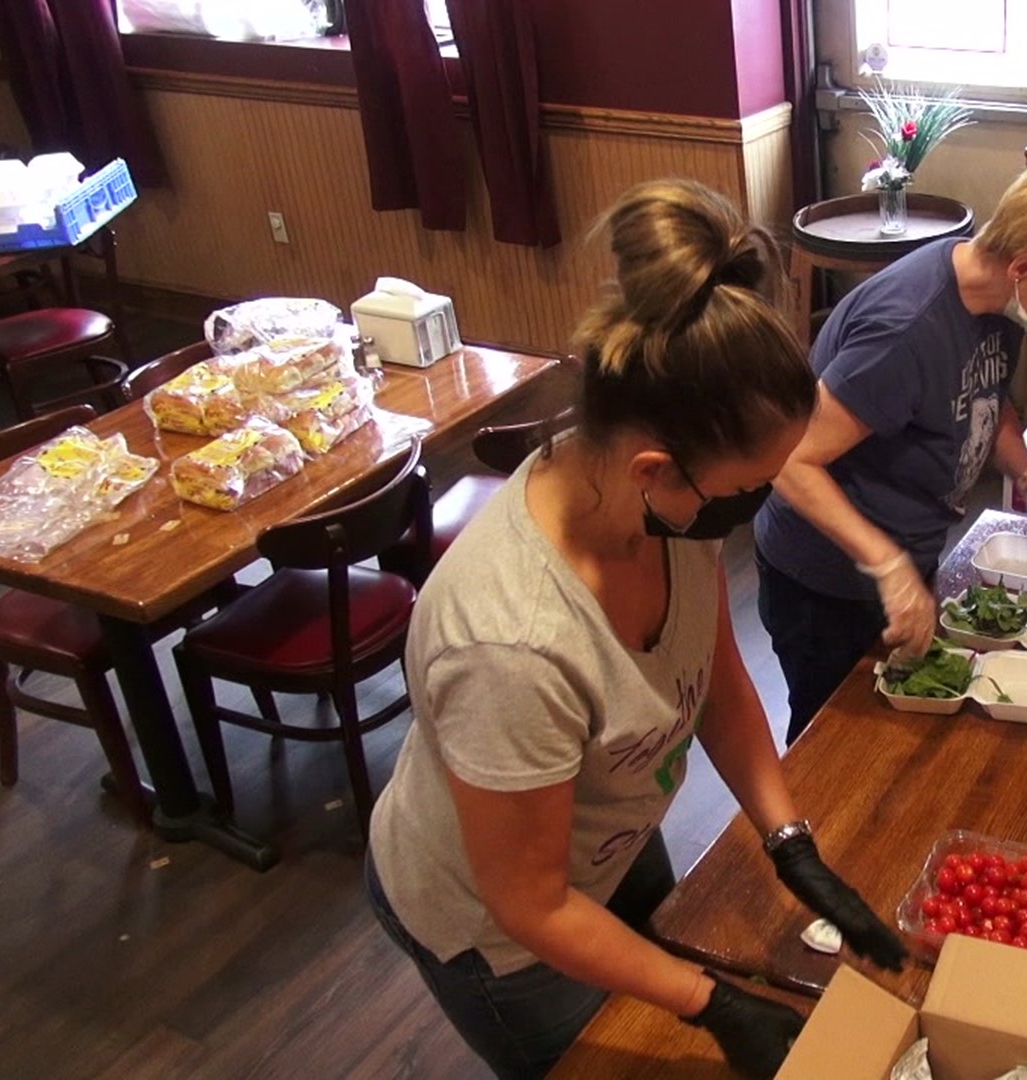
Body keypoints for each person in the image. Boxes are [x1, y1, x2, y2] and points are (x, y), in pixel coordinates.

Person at [365, 180, 906, 1080]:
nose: (749, 512)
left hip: (601, 837)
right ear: (656, 469)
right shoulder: (510, 643)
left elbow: (717, 682)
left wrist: (788, 841)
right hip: (499, 934)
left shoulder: (649, 506)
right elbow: (533, 906)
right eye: (741, 491)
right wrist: (711, 1002)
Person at [753, 159, 1027, 743]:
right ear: (1025, 267)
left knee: (899, 743)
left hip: (902, 559)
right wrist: (888, 566)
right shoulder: (904, 331)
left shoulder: (999, 302)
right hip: (823, 580)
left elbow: (990, 396)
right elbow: (792, 461)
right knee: (832, 746)